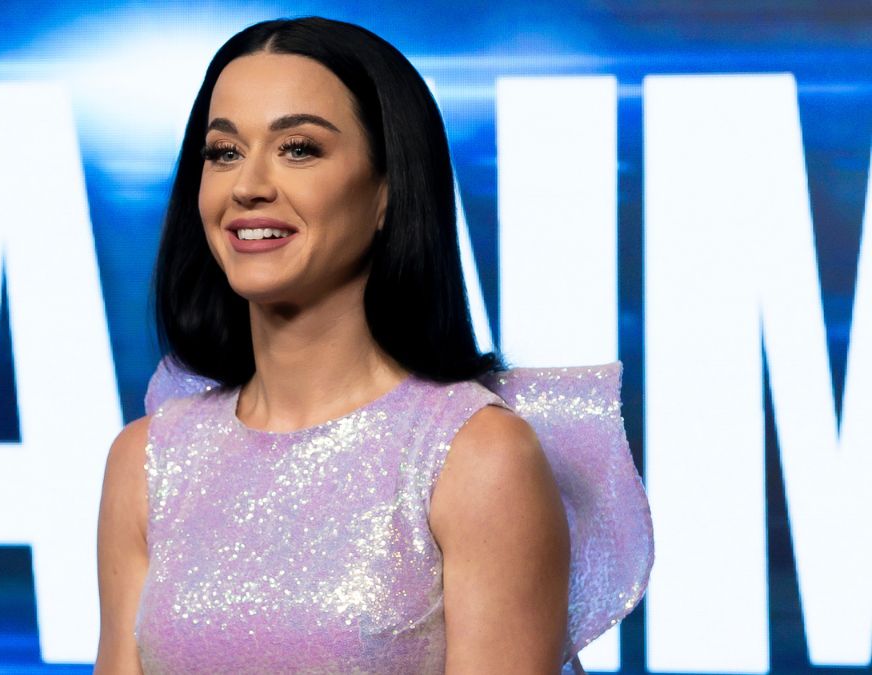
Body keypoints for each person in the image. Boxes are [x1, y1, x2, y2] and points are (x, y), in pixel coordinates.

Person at [96, 16, 652, 674]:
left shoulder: (475, 456)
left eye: (298, 148)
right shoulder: (148, 461)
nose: (248, 185)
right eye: (223, 152)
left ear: (388, 190)